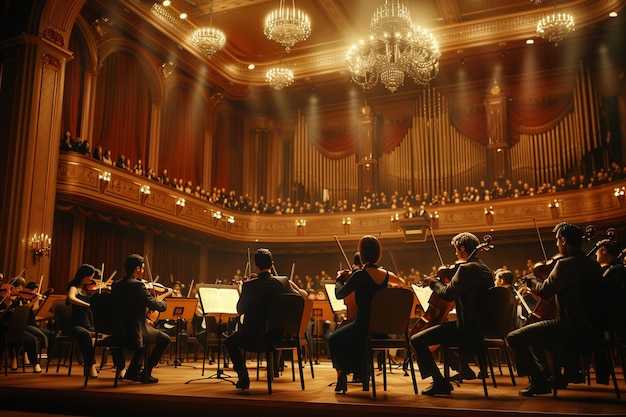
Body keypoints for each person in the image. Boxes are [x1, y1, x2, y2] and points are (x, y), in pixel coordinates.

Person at [506, 223, 602, 396]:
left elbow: (544, 290)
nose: (557, 244)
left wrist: (531, 281)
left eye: (558, 240)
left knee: (514, 337)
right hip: (592, 331)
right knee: (535, 335)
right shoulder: (593, 265)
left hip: (568, 329)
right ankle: (550, 376)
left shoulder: (564, 264)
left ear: (563, 241)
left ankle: (539, 382)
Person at [409, 232, 494, 396]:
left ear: (462, 248)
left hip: (467, 328)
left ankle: (440, 383)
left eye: (456, 250)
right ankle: (462, 370)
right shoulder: (485, 269)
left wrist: (434, 282)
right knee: (442, 331)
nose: (455, 253)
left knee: (416, 340)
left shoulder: (465, 268)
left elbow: (448, 294)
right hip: (480, 327)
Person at [327, 235, 403, 393]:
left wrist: (339, 280)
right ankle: (358, 372)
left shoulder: (360, 275)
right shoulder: (385, 275)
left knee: (334, 339)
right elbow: (401, 282)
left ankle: (342, 375)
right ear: (378, 254)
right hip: (381, 329)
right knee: (350, 338)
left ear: (362, 254)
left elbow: (340, 294)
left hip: (362, 327)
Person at [224, 248, 287, 390]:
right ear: (272, 264)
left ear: (256, 267)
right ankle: (274, 369)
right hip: (276, 337)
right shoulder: (280, 285)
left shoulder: (250, 285)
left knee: (229, 342)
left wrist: (243, 290)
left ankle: (243, 377)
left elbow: (240, 310)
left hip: (252, 337)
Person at [110, 254, 173, 384]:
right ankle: (146, 373)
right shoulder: (138, 286)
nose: (143, 272)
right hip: (135, 330)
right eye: (143, 268)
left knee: (147, 336)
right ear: (138, 268)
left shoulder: (116, 285)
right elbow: (156, 305)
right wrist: (165, 303)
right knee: (164, 339)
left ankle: (133, 371)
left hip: (118, 330)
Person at [66, 264, 98, 378]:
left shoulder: (88, 290)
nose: (91, 279)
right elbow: (71, 298)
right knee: (85, 335)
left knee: (109, 332)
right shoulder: (74, 288)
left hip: (88, 325)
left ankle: (120, 368)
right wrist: (87, 304)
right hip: (76, 325)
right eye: (90, 276)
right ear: (83, 275)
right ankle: (91, 366)